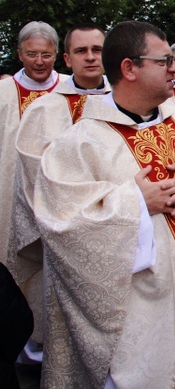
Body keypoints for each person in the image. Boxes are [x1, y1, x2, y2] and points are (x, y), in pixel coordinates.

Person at [34, 21, 175, 388]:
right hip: (140, 314)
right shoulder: (79, 145)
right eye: (164, 62)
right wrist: (134, 202)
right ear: (130, 68)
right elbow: (62, 225)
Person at [8, 24, 111, 366]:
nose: (91, 57)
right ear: (68, 59)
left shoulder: (126, 97)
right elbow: (35, 168)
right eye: (82, 51)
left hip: (119, 221)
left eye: (97, 50)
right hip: (65, 222)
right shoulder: (46, 108)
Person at [0, 22, 66, 264]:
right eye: (31, 54)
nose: (39, 61)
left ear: (56, 55)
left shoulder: (70, 89)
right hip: (11, 191)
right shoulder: (3, 92)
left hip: (61, 192)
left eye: (46, 55)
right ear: (19, 54)